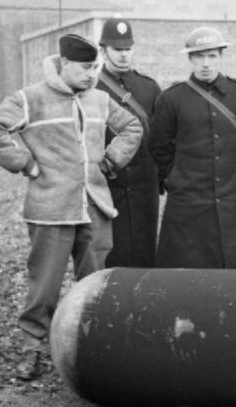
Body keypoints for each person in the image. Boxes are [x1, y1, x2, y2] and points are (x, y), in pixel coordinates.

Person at [0, 34, 143, 380]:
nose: (91, 74)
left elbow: (132, 126)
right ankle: (32, 350)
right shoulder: (31, 98)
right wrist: (25, 163)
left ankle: (92, 349)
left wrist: (110, 162)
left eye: (94, 67)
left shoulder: (99, 98)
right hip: (49, 209)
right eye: (84, 68)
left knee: (95, 285)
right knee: (44, 286)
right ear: (64, 63)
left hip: (95, 207)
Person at [149, 27, 236, 269]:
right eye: (199, 56)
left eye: (211, 56)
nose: (205, 64)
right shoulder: (172, 98)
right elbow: (159, 146)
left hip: (233, 197)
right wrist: (176, 176)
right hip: (188, 200)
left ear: (221, 56)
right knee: (189, 270)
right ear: (189, 59)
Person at [96, 18, 161, 268]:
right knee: (112, 254)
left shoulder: (148, 87)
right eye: (117, 50)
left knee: (145, 254)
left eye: (127, 49)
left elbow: (161, 136)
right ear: (104, 51)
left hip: (145, 185)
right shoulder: (93, 87)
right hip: (107, 185)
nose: (124, 55)